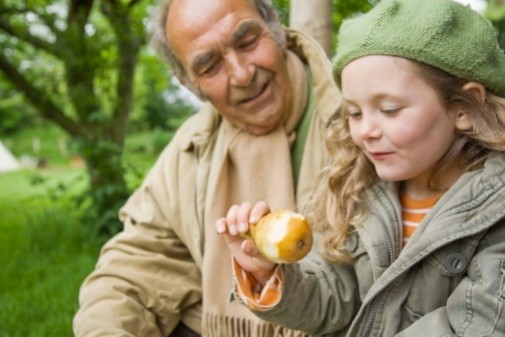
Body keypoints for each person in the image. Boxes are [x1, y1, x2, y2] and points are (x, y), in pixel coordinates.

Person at [217, 0, 505, 336]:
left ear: (463, 108)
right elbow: (336, 296)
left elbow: (478, 325)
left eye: (390, 109)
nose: (365, 130)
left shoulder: (497, 211)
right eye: (354, 113)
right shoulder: (357, 188)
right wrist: (269, 274)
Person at [73, 0, 340, 336]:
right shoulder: (191, 146)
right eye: (210, 65)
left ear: (275, 27)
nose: (243, 74)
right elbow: (135, 266)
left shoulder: (360, 117)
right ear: (187, 83)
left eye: (247, 41)